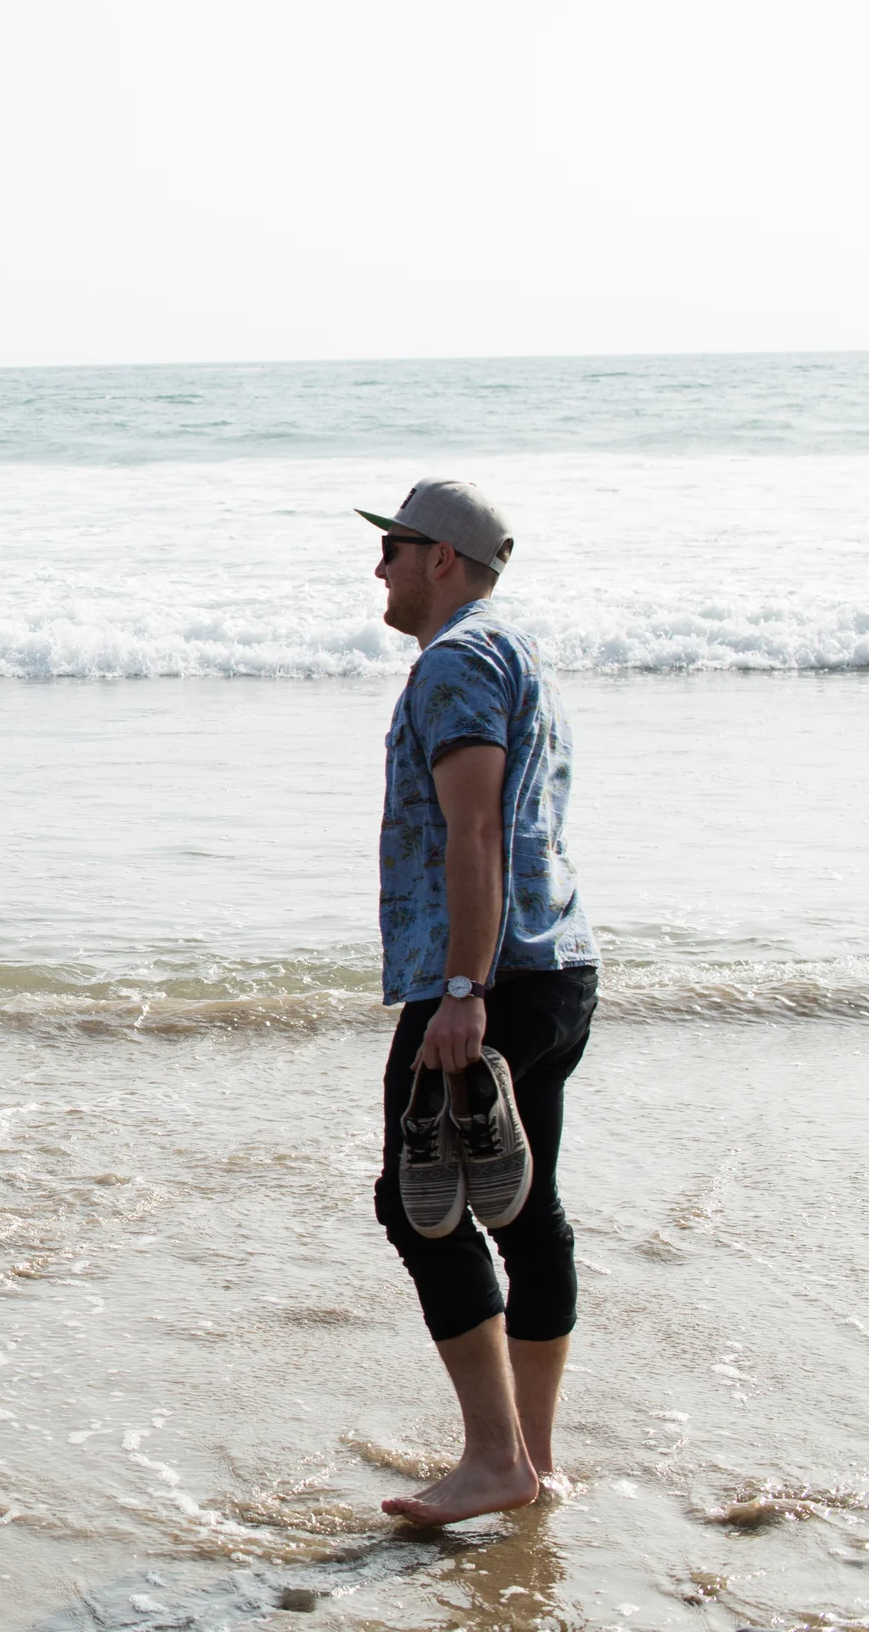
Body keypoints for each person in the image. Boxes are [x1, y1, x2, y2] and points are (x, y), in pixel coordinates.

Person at [361, 479, 599, 1525]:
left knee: (417, 1206)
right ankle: (531, 1459)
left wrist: (460, 987)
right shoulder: (514, 648)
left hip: (486, 978)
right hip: (555, 965)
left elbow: (473, 828)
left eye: (394, 547)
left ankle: (495, 1456)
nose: (380, 566)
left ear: (442, 560)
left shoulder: (455, 660)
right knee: (524, 1208)